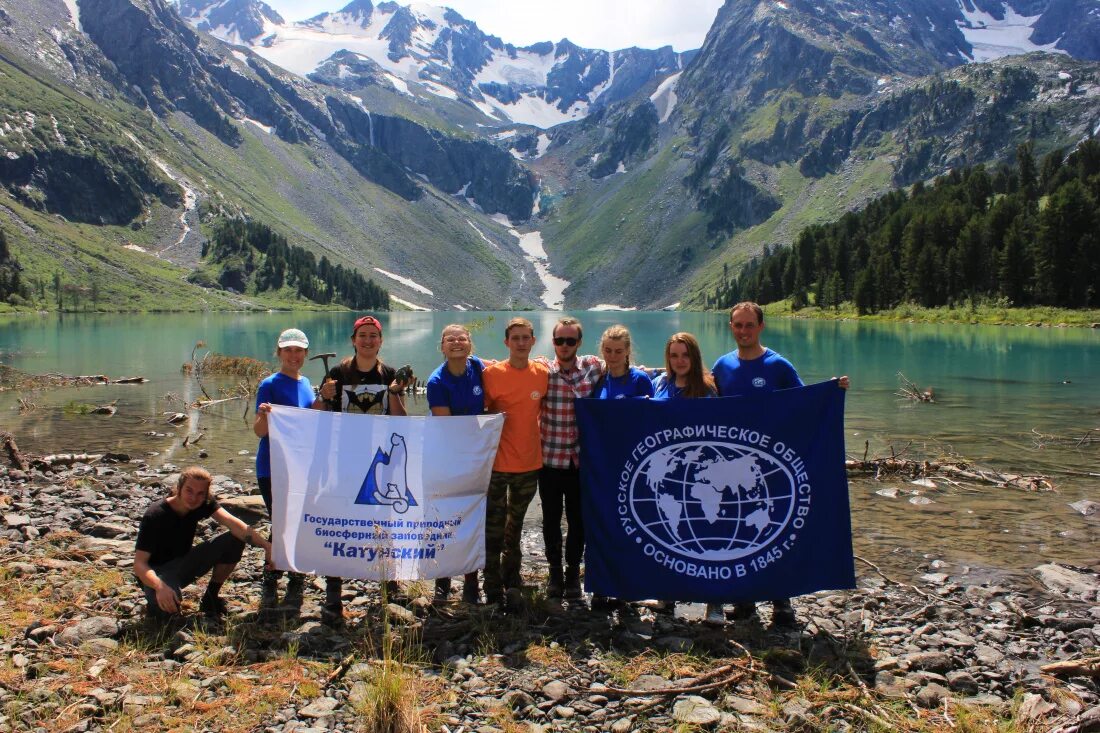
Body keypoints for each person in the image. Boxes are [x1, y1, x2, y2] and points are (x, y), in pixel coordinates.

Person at [711, 301, 849, 628]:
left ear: (761, 326)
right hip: (733, 469)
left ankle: (781, 602)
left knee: (772, 530)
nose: (743, 331)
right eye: (737, 325)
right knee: (740, 529)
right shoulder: (722, 366)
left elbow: (804, 405)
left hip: (769, 467)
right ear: (731, 327)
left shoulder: (778, 366)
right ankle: (744, 602)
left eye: (749, 325)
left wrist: (830, 392)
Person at [316, 315, 409, 626]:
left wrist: (395, 393)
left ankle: (388, 583)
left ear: (381, 341)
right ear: (353, 340)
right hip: (345, 459)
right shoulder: (337, 373)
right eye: (363, 336)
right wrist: (323, 396)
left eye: (374, 336)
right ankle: (333, 592)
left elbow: (401, 420)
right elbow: (319, 415)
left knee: (384, 523)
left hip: (380, 461)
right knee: (341, 522)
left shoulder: (390, 375)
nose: (368, 341)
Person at [650, 332, 725, 623]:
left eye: (684, 355)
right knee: (671, 531)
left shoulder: (707, 389)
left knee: (707, 532)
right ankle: (667, 595)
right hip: (669, 473)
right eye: (673, 355)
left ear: (693, 357)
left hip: (700, 477)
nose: (679, 361)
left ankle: (714, 602)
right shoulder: (661, 384)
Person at [134, 466, 272, 622]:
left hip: (184, 563)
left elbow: (234, 524)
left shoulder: (202, 503)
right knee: (165, 617)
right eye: (189, 491)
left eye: (200, 493)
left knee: (234, 539)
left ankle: (211, 598)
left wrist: (267, 546)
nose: (193, 498)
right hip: (156, 573)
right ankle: (159, 599)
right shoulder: (156, 514)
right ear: (179, 488)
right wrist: (159, 586)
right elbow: (139, 565)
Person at [481, 317, 550, 605]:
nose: (521, 343)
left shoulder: (542, 373)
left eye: (526, 338)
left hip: (529, 464)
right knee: (493, 527)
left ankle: (513, 576)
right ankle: (492, 583)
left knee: (516, 525)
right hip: (497, 465)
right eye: (516, 338)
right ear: (507, 342)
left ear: (533, 341)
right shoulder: (492, 374)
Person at [253, 328, 322, 610]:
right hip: (272, 466)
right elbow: (259, 431)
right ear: (279, 352)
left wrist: (324, 398)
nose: (293, 356)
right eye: (288, 350)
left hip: (299, 466)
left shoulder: (306, 383)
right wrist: (264, 416)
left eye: (299, 351)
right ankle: (271, 576)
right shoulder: (269, 384)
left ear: (305, 354)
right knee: (281, 522)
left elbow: (309, 418)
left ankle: (294, 575)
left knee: (296, 519)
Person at [538, 317, 603, 599]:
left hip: (580, 462)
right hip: (549, 459)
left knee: (579, 521)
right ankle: (554, 573)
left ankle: (572, 573)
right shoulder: (542, 370)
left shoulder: (593, 367)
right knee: (550, 519)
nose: (564, 345)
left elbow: (626, 367)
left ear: (579, 343)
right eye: (559, 340)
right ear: (553, 342)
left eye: (570, 341)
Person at [590, 325, 653, 610]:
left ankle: (628, 586)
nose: (613, 356)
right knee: (605, 525)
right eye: (608, 350)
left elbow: (653, 419)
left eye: (618, 351)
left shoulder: (639, 380)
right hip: (605, 465)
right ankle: (603, 586)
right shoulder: (599, 380)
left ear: (628, 351)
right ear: (601, 350)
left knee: (633, 526)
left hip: (634, 465)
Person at [425, 323, 485, 605]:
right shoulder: (437, 381)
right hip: (447, 458)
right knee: (445, 519)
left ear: (470, 344)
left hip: (476, 457)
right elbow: (447, 427)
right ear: (442, 347)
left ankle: (472, 581)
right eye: (450, 339)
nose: (457, 343)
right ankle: (443, 581)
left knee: (473, 518)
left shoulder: (480, 368)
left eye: (462, 338)